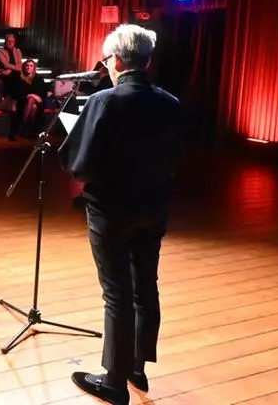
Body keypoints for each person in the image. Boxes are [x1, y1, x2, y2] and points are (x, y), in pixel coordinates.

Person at [58, 24, 182, 405]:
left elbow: (79, 164)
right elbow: (175, 159)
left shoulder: (105, 102)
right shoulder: (170, 103)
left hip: (111, 210)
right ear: (147, 60)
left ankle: (113, 381)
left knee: (117, 294)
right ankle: (136, 368)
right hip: (154, 206)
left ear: (115, 61)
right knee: (146, 285)